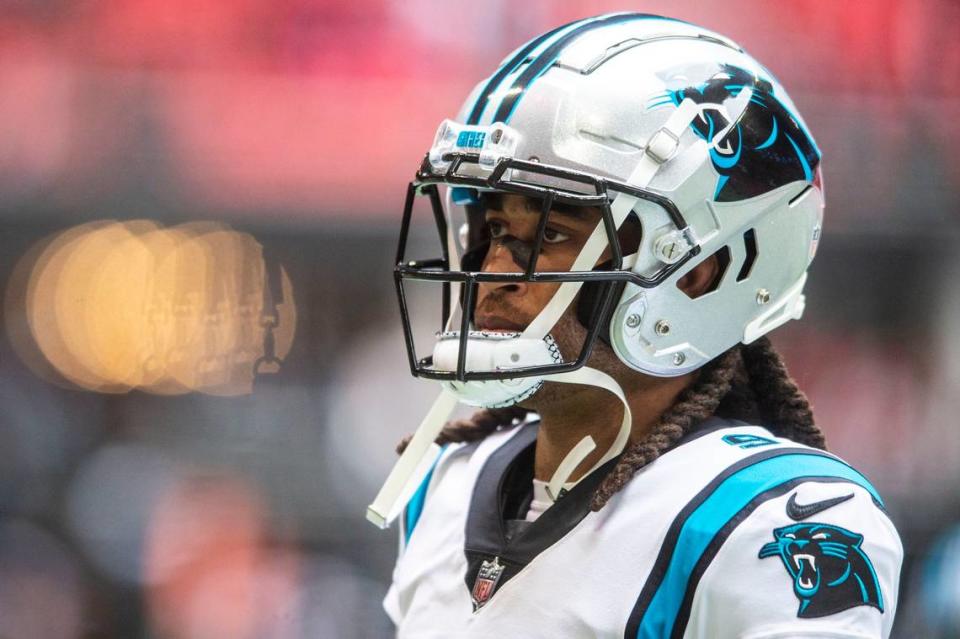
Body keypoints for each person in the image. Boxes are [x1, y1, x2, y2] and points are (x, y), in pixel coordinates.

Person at [367, 12, 903, 638]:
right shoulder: (446, 483)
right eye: (492, 232)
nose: (493, 272)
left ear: (699, 273)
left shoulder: (774, 517)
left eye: (551, 235)